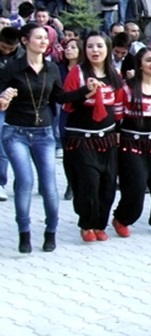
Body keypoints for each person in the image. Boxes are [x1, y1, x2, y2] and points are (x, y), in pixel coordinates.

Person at [0, 23, 93, 253]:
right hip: (15, 132)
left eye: (46, 38)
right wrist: (3, 98)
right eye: (38, 37)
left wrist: (85, 91)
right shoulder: (11, 68)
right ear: (25, 41)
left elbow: (60, 97)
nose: (43, 41)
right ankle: (24, 233)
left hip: (44, 133)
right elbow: (1, 97)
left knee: (49, 186)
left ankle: (51, 231)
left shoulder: (51, 69)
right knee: (25, 182)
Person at [61, 32, 125, 243]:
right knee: (89, 182)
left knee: (107, 185)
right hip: (81, 138)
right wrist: (85, 92)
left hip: (107, 138)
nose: (95, 51)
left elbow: (117, 107)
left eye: (99, 46)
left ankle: (100, 224)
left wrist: (117, 133)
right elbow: (65, 102)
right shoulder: (77, 73)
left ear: (107, 49)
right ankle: (86, 223)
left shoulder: (114, 73)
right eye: (90, 46)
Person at [112, 47, 151, 237]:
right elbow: (117, 113)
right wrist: (116, 136)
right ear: (140, 64)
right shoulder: (128, 87)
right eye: (149, 60)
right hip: (130, 141)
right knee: (137, 184)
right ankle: (122, 218)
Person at [0, 26, 24, 202]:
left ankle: (19, 182)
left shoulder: (22, 56)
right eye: (4, 47)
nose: (7, 51)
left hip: (17, 106)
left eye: (10, 48)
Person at [58, 38, 83, 201]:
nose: (69, 50)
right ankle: (70, 183)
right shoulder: (59, 69)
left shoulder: (85, 70)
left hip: (82, 114)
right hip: (65, 112)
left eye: (73, 47)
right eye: (67, 47)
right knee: (68, 149)